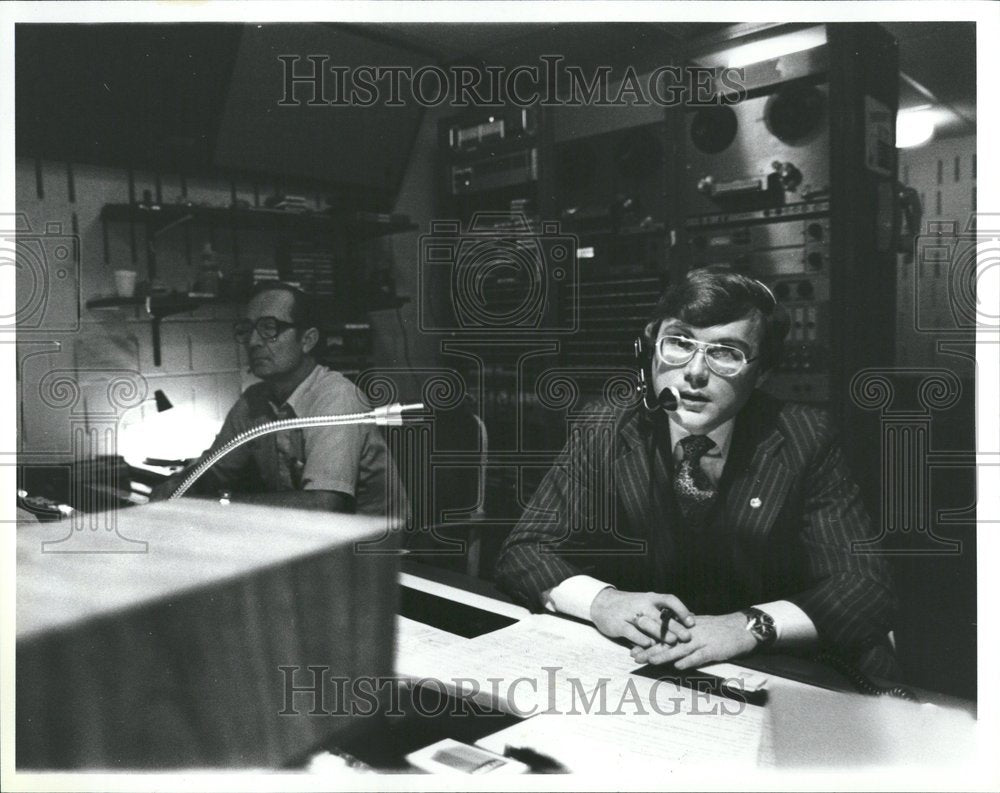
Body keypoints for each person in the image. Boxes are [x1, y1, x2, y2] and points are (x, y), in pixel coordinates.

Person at [495, 267, 897, 676]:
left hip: (772, 669)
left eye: (725, 353)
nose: (694, 372)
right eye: (678, 344)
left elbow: (865, 587)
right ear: (650, 352)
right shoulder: (605, 428)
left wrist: (749, 626)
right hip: (642, 665)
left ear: (763, 372)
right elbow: (525, 550)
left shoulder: (804, 438)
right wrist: (603, 602)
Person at [153, 281, 396, 515]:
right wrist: (176, 486)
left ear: (307, 340)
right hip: (314, 541)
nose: (253, 342)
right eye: (247, 330)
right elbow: (214, 471)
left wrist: (220, 503)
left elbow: (323, 504)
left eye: (270, 329)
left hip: (376, 550)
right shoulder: (254, 401)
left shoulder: (337, 397)